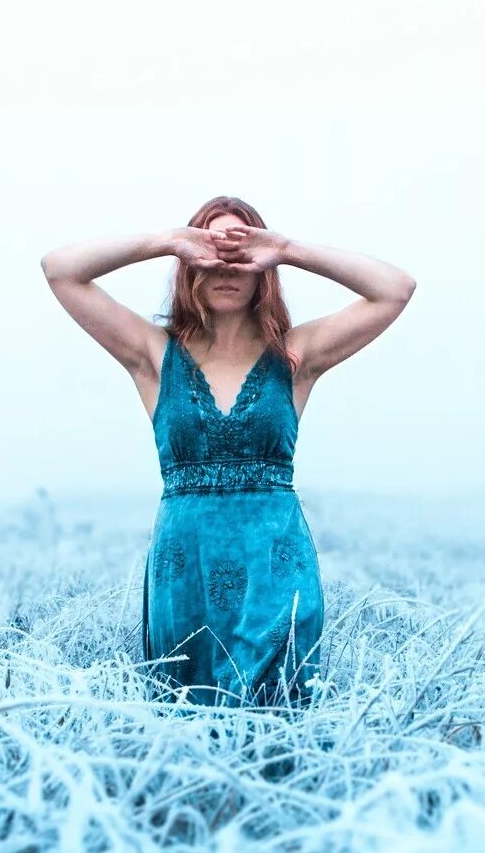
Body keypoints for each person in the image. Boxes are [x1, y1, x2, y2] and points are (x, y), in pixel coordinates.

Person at [42, 196, 416, 711]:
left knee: (277, 715)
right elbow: (61, 271)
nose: (225, 266)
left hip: (275, 567)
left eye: (240, 254)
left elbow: (394, 290)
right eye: (211, 253)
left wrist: (285, 248)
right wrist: (170, 241)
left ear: (263, 270)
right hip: (184, 569)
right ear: (188, 268)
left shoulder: (297, 355)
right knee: (183, 718)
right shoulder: (153, 354)